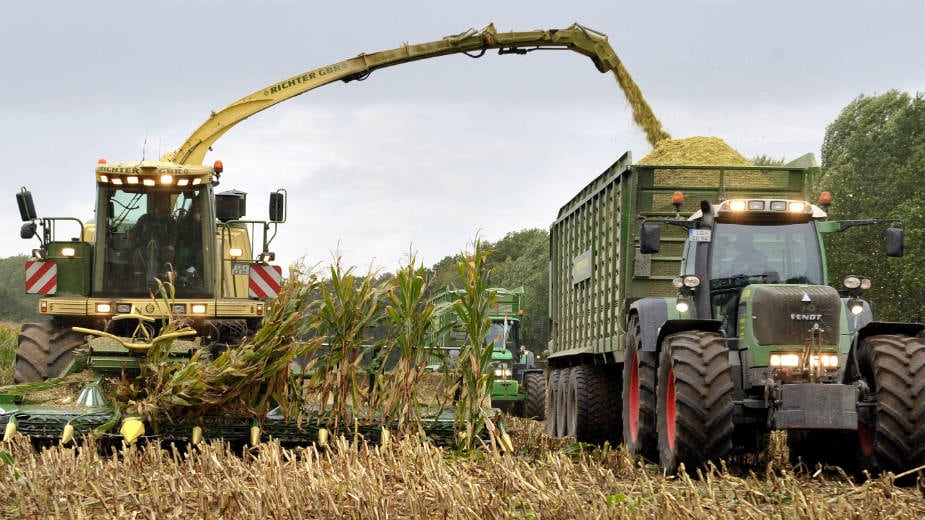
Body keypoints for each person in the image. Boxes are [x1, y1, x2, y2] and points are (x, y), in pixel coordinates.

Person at [127, 192, 178, 287]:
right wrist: (130, 234)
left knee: (169, 254)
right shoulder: (144, 219)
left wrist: (171, 245)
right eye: (163, 203)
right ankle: (139, 282)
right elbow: (135, 232)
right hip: (144, 250)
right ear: (156, 204)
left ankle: (164, 280)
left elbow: (174, 236)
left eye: (167, 203)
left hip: (164, 250)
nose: (166, 205)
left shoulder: (171, 222)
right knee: (137, 253)